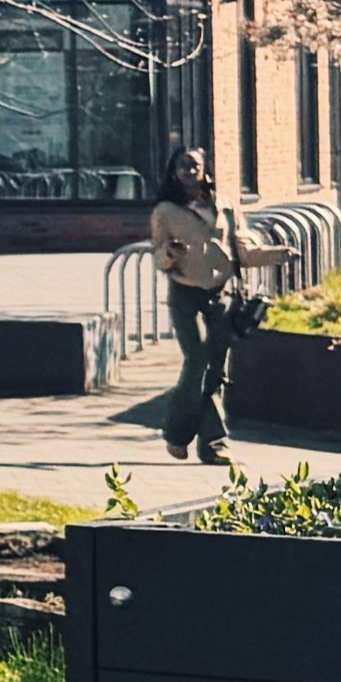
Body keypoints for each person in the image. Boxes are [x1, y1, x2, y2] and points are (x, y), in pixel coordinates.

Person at [146, 142, 252, 461]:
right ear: (174, 172)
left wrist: (279, 255)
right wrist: (169, 253)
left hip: (220, 292)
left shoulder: (224, 205)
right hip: (185, 293)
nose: (189, 171)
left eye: (194, 165)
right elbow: (157, 255)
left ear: (205, 169)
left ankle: (212, 445)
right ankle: (178, 433)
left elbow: (242, 247)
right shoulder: (165, 211)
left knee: (216, 367)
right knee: (197, 359)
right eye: (182, 165)